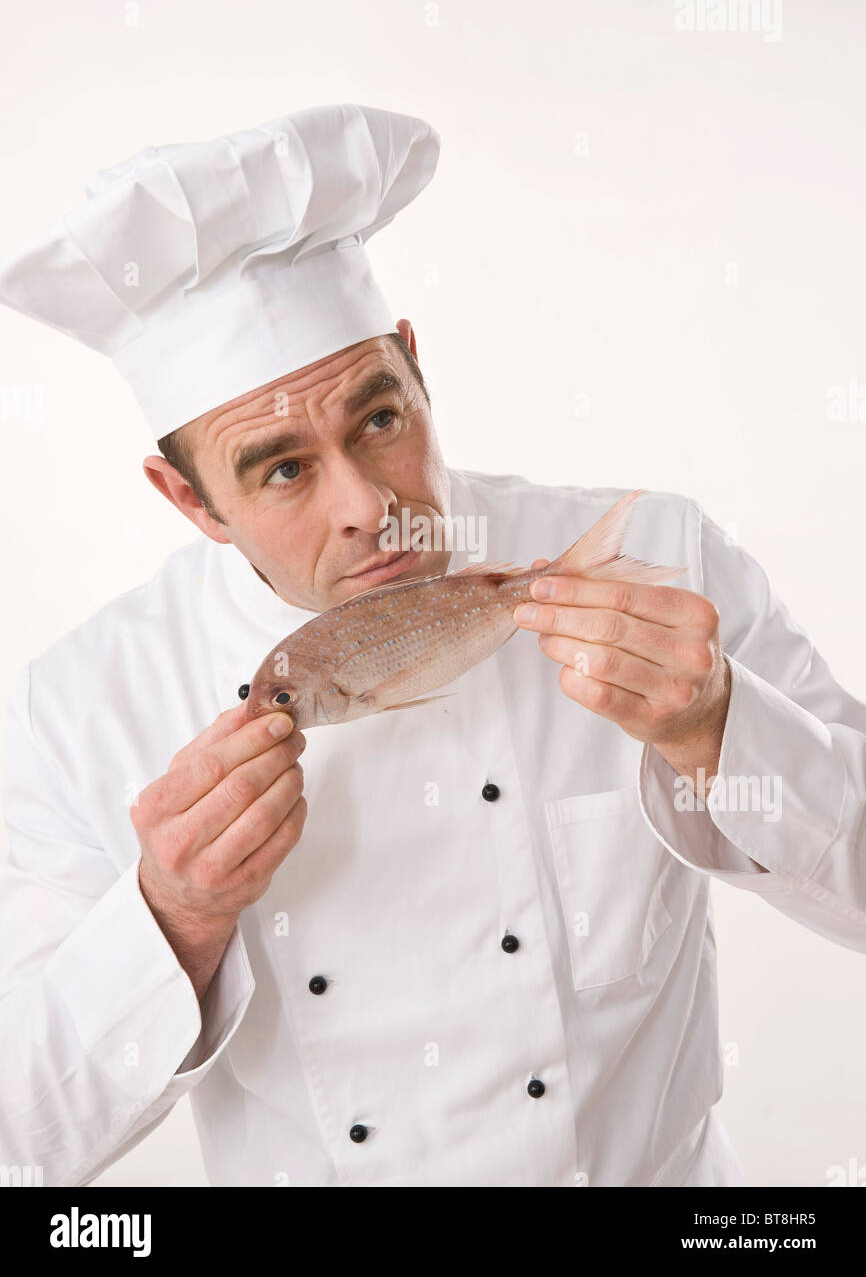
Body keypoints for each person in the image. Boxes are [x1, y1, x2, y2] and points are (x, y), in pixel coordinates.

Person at [0, 104, 864, 1188]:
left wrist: (718, 732)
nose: (367, 505)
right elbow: (18, 1141)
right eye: (281, 470)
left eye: (377, 419)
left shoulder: (653, 555)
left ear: (415, 366)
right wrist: (173, 915)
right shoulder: (85, 705)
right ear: (189, 499)